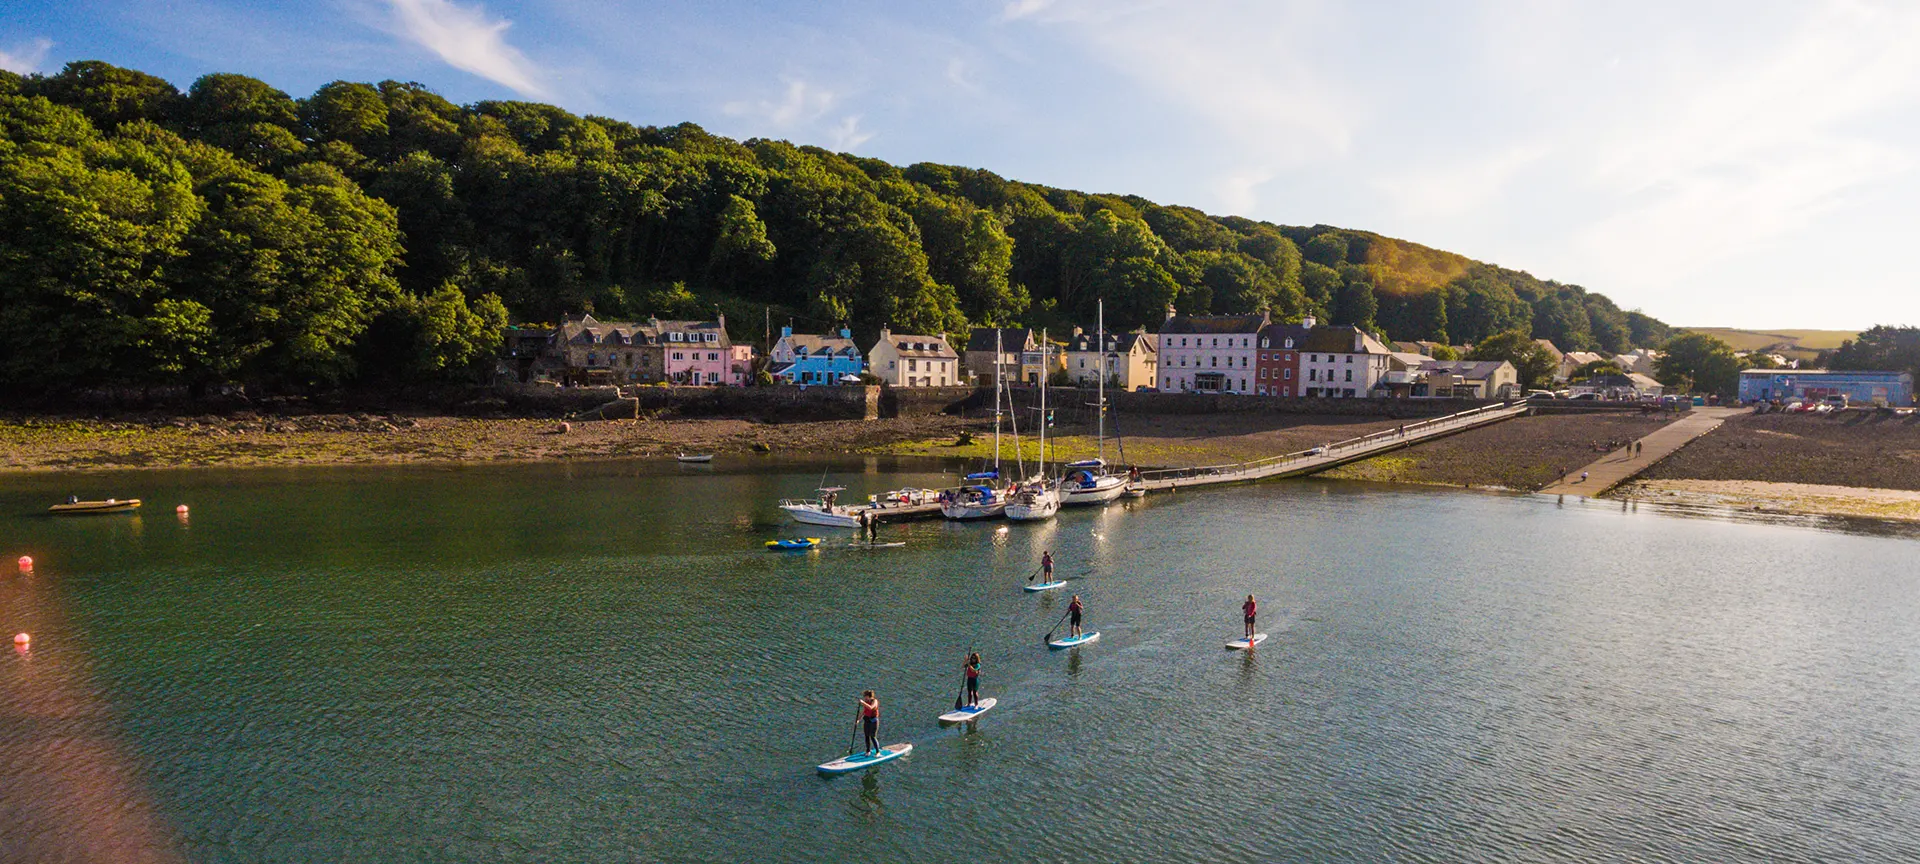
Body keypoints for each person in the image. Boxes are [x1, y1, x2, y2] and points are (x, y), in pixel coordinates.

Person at [857, 690, 880, 755]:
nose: (864, 698)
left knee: (872, 736)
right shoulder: (866, 702)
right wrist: (858, 719)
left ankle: (877, 752)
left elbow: (871, 708)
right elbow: (864, 711)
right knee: (866, 736)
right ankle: (868, 751)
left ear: (869, 696)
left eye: (865, 696)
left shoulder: (875, 701)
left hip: (873, 721)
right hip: (867, 720)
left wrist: (862, 702)